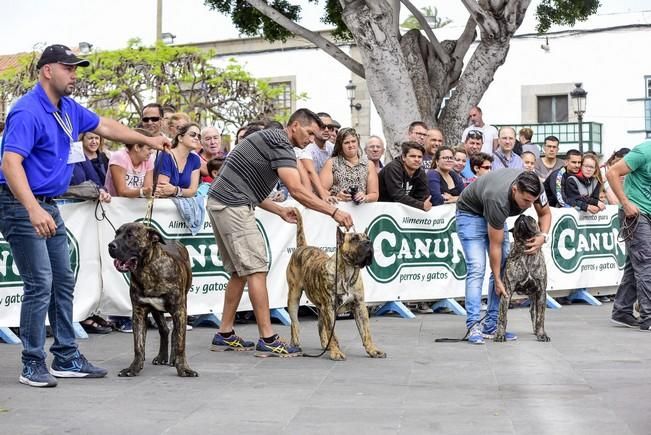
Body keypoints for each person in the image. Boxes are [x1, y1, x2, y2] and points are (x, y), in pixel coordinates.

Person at [0, 44, 169, 388]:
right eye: (69, 68)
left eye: (76, 68)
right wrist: (32, 208)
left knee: (63, 280)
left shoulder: (67, 109)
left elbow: (106, 126)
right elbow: (10, 163)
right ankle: (32, 362)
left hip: (47, 201)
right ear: (48, 70)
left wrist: (147, 140)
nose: (75, 74)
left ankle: (65, 355)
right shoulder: (27, 111)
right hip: (20, 203)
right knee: (40, 283)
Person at [206, 108, 352, 357]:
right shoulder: (280, 142)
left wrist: (278, 210)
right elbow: (296, 189)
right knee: (256, 268)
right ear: (294, 126)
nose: (309, 140)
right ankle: (268, 338)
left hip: (221, 201)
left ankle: (225, 334)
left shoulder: (270, 140)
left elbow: (248, 183)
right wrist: (334, 212)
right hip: (232, 204)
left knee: (239, 272)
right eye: (308, 133)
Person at [456, 169, 551, 344]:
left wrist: (543, 237)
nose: (529, 206)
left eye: (533, 201)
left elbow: (545, 214)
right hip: (470, 213)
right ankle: (473, 326)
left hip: (495, 213)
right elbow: (496, 245)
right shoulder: (497, 199)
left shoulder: (536, 187)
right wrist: (498, 280)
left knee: (501, 268)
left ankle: (492, 325)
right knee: (477, 267)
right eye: (525, 201)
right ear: (515, 190)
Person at [607, 139, 651, 331]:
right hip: (635, 212)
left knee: (636, 265)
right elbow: (611, 173)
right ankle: (648, 316)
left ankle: (622, 310)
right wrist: (625, 203)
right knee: (646, 263)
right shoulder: (644, 151)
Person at [320, 127, 379, 204]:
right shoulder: (332, 163)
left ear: (358, 142)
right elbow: (321, 190)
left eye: (353, 141)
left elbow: (374, 194)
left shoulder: (368, 164)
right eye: (346, 143)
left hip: (362, 211)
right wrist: (337, 196)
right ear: (340, 145)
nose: (351, 145)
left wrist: (365, 197)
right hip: (338, 208)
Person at [378, 141, 432, 211]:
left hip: (405, 214)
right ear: (403, 157)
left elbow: (423, 196)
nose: (417, 160)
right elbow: (398, 196)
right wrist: (421, 205)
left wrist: (421, 204)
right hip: (383, 212)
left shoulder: (420, 172)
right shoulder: (393, 168)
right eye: (412, 156)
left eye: (420, 157)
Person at [104, 128, 155, 198]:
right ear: (137, 147)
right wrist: (142, 192)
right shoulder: (119, 157)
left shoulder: (148, 159)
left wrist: (146, 191)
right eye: (149, 148)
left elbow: (148, 190)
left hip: (137, 204)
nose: (151, 152)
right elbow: (122, 192)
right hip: (115, 204)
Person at [155, 122, 201, 198]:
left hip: (181, 205)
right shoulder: (166, 154)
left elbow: (193, 191)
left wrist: (175, 190)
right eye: (192, 135)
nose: (196, 138)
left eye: (199, 136)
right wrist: (184, 192)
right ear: (180, 138)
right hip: (161, 205)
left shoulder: (195, 159)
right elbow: (162, 190)